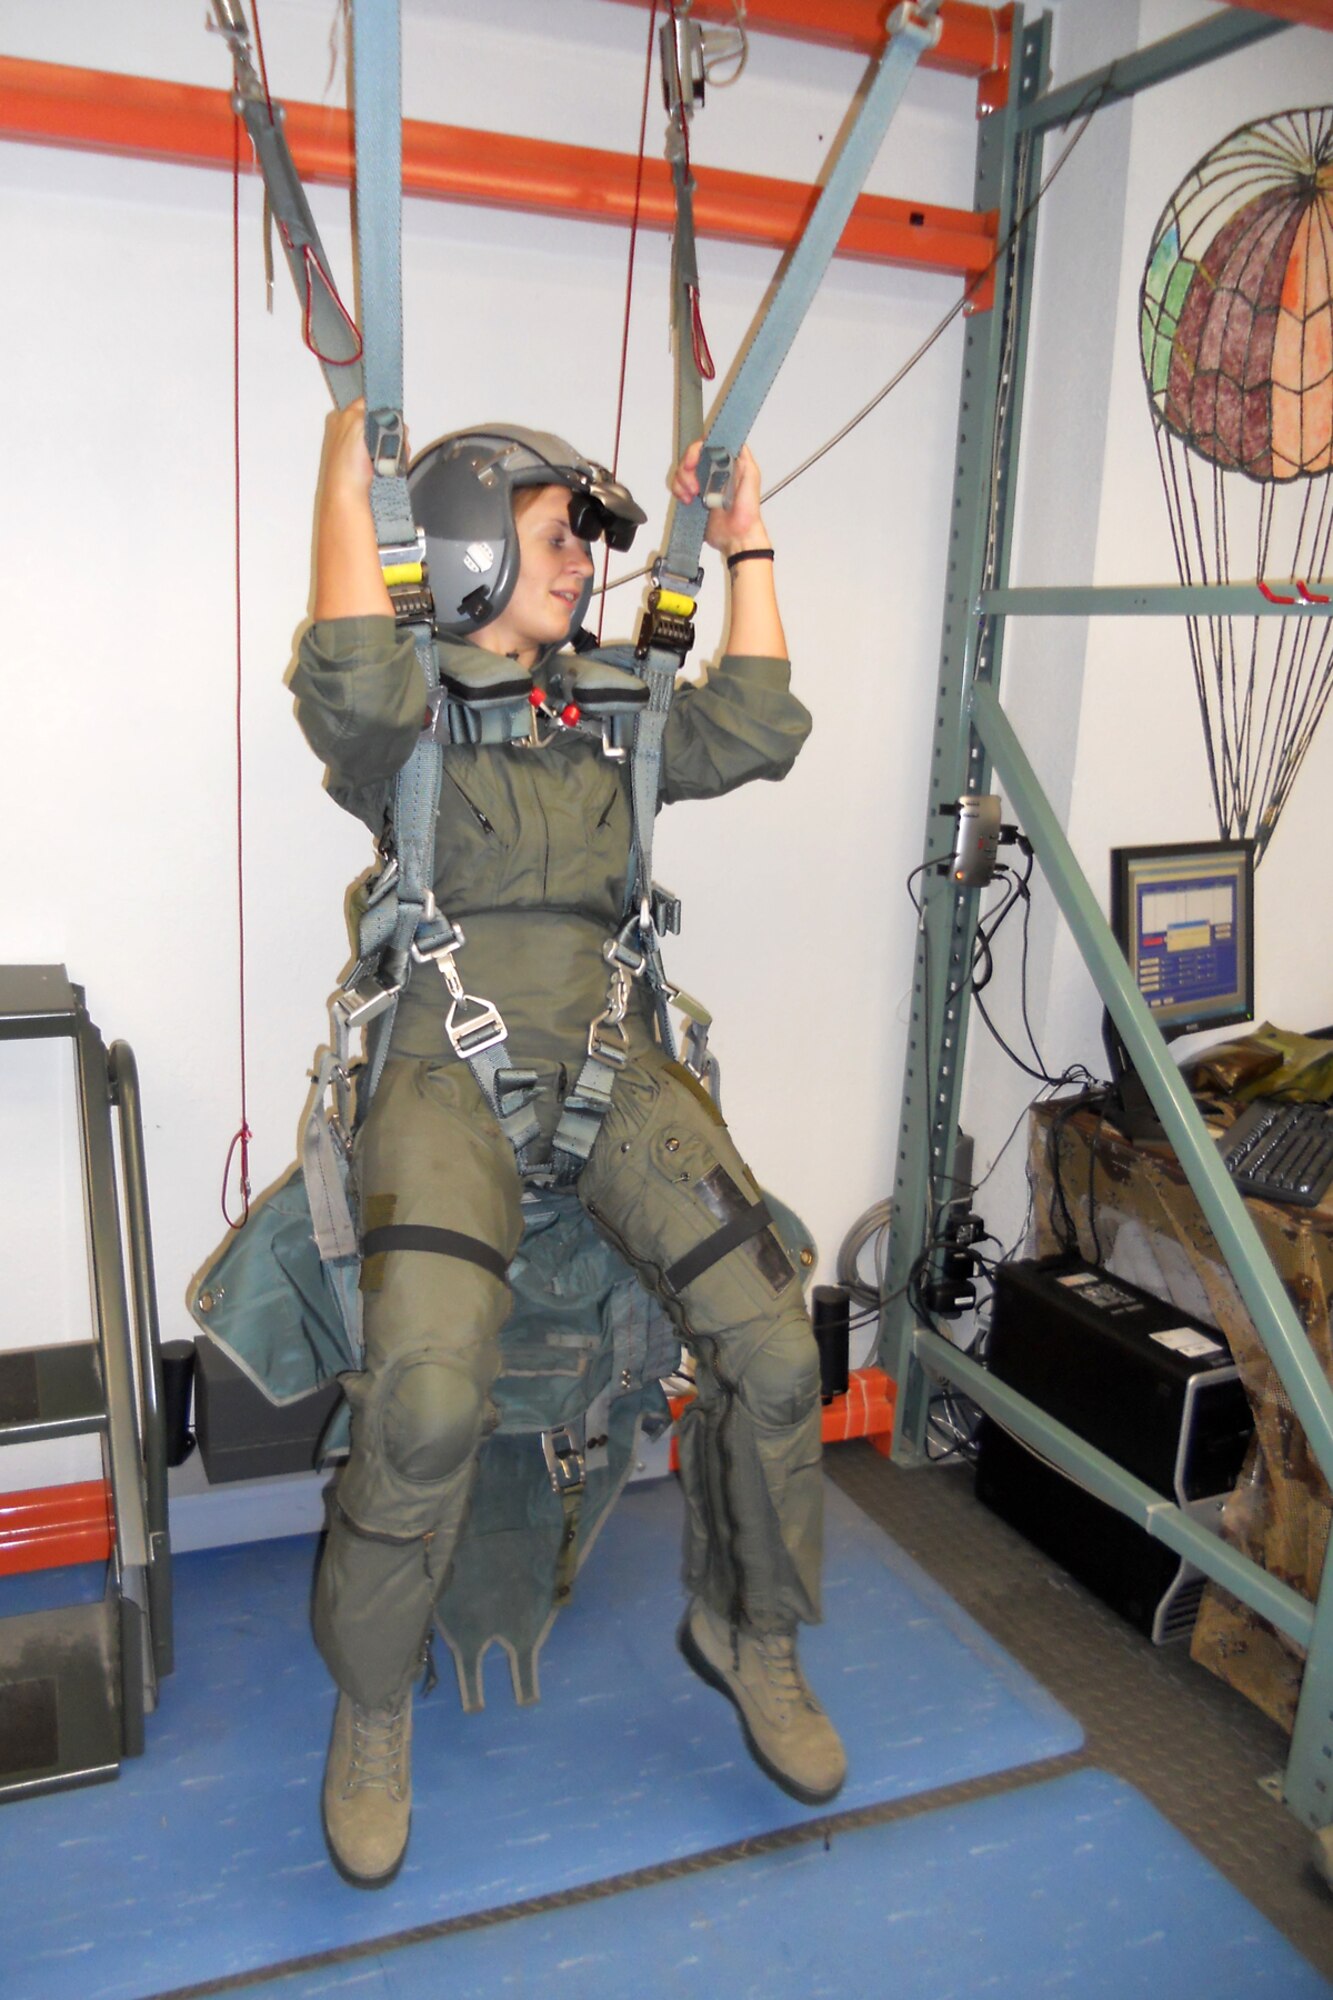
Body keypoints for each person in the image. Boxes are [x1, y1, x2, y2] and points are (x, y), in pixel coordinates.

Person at [292, 400, 844, 1889]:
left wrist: (747, 544)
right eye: (556, 541)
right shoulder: (399, 714)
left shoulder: (612, 703)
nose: (583, 572)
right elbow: (341, 669)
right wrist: (353, 478)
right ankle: (369, 1709)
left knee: (779, 1351)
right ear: (469, 545)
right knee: (418, 1402)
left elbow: (761, 726)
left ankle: (750, 1626)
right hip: (443, 1068)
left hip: (610, 1057)